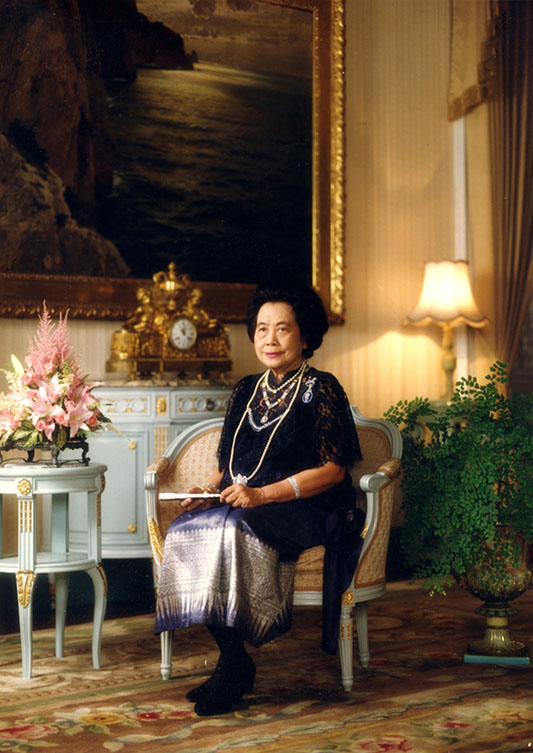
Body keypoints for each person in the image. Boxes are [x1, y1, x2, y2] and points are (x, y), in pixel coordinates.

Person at [155, 281, 364, 716]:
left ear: (305, 335)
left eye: (283, 329)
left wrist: (264, 494)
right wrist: (207, 491)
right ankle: (234, 659)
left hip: (309, 507)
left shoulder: (323, 388)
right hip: (248, 501)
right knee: (187, 529)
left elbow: (334, 470)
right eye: (262, 329)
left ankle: (232, 667)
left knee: (234, 527)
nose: (270, 339)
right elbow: (228, 461)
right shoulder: (246, 389)